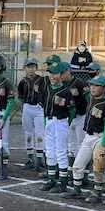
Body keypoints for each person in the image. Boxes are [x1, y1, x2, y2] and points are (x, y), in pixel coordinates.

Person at [69, 75, 105, 202]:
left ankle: (98, 191)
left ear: (104, 88)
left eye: (97, 86)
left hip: (100, 137)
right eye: (92, 85)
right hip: (88, 136)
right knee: (78, 164)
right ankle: (76, 189)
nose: (93, 88)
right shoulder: (91, 99)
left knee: (98, 165)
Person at [41, 62, 77, 193]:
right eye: (50, 73)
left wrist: (66, 123)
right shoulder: (47, 89)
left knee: (61, 151)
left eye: (55, 73)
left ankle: (62, 182)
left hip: (61, 121)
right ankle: (52, 179)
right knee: (50, 150)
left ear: (61, 75)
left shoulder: (66, 92)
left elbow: (72, 110)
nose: (52, 76)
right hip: (49, 121)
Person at [18, 59, 46, 171]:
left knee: (39, 134)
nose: (31, 69)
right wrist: (22, 108)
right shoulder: (23, 81)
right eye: (28, 67)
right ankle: (30, 159)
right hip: (27, 107)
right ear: (25, 68)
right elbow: (20, 97)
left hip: (39, 108)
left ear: (36, 68)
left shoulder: (42, 80)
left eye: (33, 66)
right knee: (28, 133)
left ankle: (39, 160)